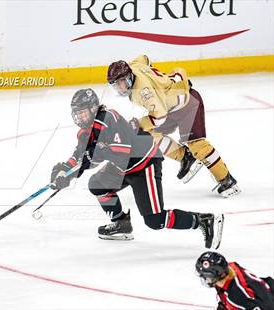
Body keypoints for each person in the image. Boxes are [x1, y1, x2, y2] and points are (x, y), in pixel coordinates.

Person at [50, 88, 224, 249]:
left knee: (154, 220)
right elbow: (79, 155)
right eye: (77, 113)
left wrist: (96, 154)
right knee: (97, 184)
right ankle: (122, 224)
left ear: (93, 107)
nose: (79, 117)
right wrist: (64, 172)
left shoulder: (108, 117)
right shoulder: (85, 132)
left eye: (82, 112)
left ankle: (203, 221)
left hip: (144, 164)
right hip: (123, 168)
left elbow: (122, 151)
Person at [107, 56, 240, 198]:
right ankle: (184, 157)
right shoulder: (133, 66)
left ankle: (227, 180)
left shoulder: (143, 92)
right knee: (146, 136)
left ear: (127, 77)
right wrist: (161, 82)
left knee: (197, 146)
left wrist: (139, 123)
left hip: (188, 104)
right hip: (170, 106)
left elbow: (159, 117)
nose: (119, 88)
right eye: (115, 85)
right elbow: (144, 58)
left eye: (120, 83)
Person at [196, 251, 274, 310]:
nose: (205, 280)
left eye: (205, 276)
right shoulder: (229, 269)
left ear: (214, 276)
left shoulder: (237, 295)